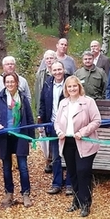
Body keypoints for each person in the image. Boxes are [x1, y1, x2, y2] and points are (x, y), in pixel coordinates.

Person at [54, 76, 102, 217]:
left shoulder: (88, 102)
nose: (72, 89)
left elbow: (97, 120)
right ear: (66, 89)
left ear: (79, 87)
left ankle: (85, 203)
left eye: (75, 86)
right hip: (67, 142)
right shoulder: (63, 103)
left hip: (84, 142)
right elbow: (56, 122)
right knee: (72, 172)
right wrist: (59, 131)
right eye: (69, 87)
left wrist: (83, 132)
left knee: (83, 172)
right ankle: (76, 201)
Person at [0, 72, 35, 208]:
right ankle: (9, 193)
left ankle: (25, 193)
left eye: (12, 81)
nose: (10, 84)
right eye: (7, 82)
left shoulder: (23, 98)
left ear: (17, 83)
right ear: (4, 83)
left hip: (20, 136)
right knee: (6, 167)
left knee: (23, 166)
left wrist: (31, 138)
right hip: (5, 137)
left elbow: (30, 118)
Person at [39, 61, 71, 195]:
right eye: (55, 70)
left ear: (63, 70)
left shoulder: (70, 82)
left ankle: (70, 183)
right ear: (51, 71)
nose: (57, 72)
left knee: (69, 155)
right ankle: (57, 183)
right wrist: (41, 119)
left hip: (69, 126)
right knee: (56, 156)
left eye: (59, 69)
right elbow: (42, 103)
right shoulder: (47, 83)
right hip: (52, 124)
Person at [34, 50, 57, 115]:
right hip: (45, 105)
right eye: (47, 58)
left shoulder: (60, 73)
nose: (49, 60)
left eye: (51, 58)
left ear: (55, 59)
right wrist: (38, 109)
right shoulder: (40, 74)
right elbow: (37, 93)